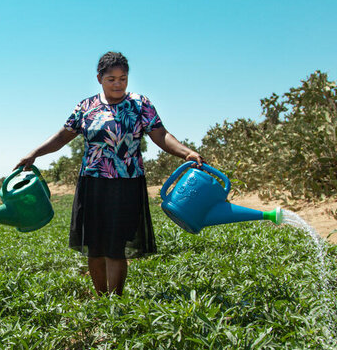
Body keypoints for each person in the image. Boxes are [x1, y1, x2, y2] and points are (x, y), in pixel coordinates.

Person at [16, 51, 203, 296]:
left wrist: (186, 152)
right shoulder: (86, 107)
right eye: (111, 79)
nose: (118, 84)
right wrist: (34, 154)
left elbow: (161, 135)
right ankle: (101, 299)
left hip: (127, 184)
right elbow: (63, 136)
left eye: (123, 79)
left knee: (116, 246)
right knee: (95, 247)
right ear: (99, 79)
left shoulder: (140, 104)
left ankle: (115, 300)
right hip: (92, 184)